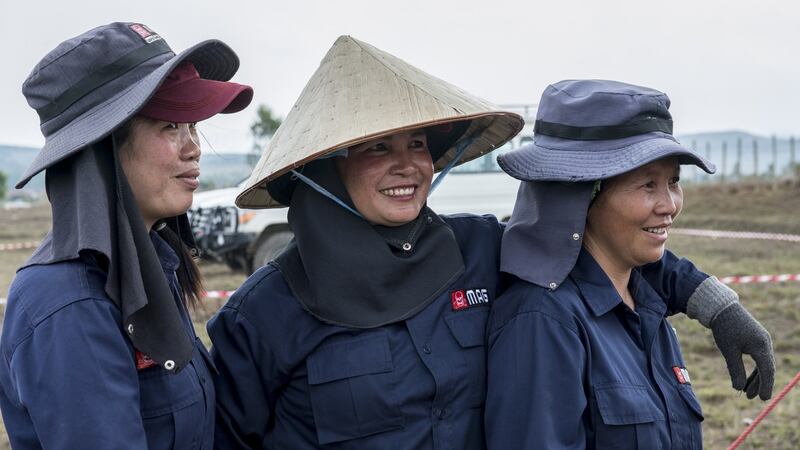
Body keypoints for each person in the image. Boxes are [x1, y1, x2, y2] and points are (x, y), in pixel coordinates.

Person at [209, 38, 773, 449]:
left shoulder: (476, 249)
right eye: (378, 148)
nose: (409, 165)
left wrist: (716, 305)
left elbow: (599, 246)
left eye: (420, 143)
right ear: (324, 168)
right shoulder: (263, 314)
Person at [0, 22, 253, 449]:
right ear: (104, 147)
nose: (193, 148)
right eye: (170, 126)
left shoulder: (148, 267)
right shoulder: (68, 305)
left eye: (192, 126)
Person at [485, 80, 774, 449]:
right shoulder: (543, 322)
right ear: (582, 195)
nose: (669, 204)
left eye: (673, 181)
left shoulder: (646, 302)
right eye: (647, 185)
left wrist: (720, 307)